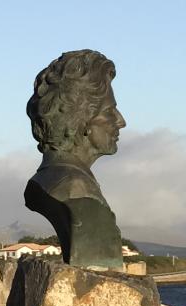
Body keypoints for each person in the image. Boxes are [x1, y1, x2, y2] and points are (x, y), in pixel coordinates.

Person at [23, 50, 126, 269]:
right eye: (110, 111)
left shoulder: (50, 181)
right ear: (81, 120)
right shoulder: (76, 188)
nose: (120, 121)